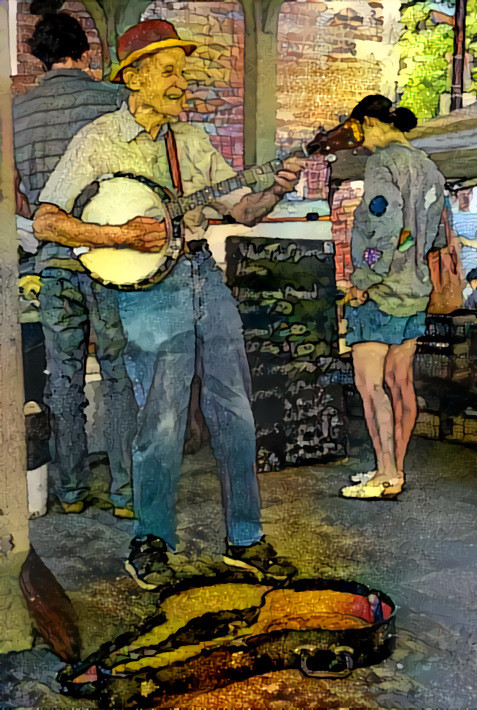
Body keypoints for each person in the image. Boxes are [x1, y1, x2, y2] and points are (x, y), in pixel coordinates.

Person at [33, 19, 303, 588]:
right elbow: (47, 220)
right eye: (171, 71)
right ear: (134, 76)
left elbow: (244, 210)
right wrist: (120, 237)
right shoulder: (98, 140)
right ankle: (151, 540)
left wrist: (278, 185)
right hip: (150, 293)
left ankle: (245, 539)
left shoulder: (194, 141)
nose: (184, 82)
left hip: (205, 273)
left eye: (183, 70)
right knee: (161, 421)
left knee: (236, 411)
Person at [13, 12, 137, 516]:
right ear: (85, 51)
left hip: (53, 261)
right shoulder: (113, 100)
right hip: (112, 259)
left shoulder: (16, 112)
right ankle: (127, 494)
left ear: (37, 57)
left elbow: (17, 198)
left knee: (62, 376)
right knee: (117, 373)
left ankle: (70, 492)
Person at [339, 95, 445, 500]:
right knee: (401, 385)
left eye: (356, 131)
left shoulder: (382, 164)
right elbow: (433, 236)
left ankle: (384, 474)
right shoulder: (429, 168)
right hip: (415, 290)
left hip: (381, 293)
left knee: (370, 387)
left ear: (369, 122)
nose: (358, 142)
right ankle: (394, 470)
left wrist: (364, 278)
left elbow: (385, 229)